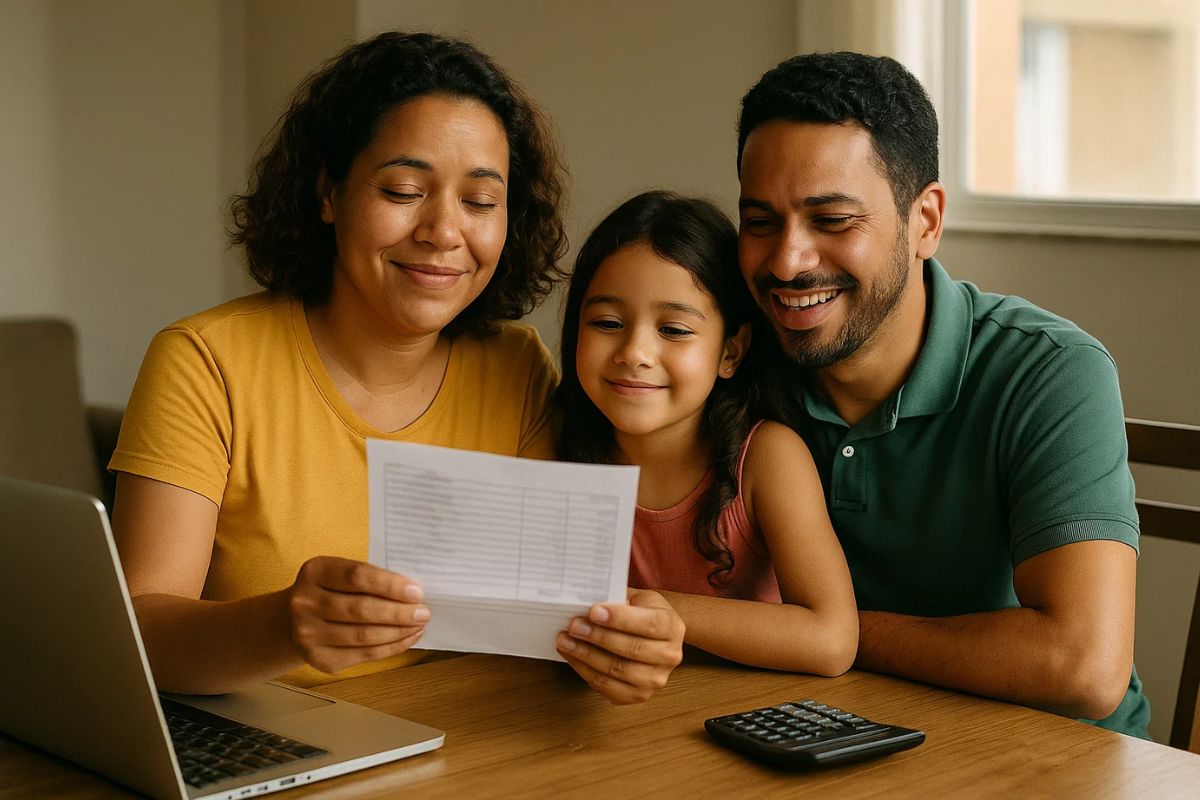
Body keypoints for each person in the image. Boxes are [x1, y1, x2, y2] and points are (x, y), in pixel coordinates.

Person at [109, 31, 684, 704]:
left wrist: (629, 638)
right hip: (269, 736)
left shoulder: (518, 367)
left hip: (470, 734)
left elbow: (551, 617)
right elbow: (138, 635)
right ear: (329, 193)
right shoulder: (205, 361)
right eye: (404, 189)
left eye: (479, 201)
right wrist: (283, 627)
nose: (443, 232)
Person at [734, 52, 1148, 737]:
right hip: (840, 738)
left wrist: (825, 633)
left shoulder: (1048, 372)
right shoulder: (731, 358)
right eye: (759, 222)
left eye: (832, 221)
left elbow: (1084, 667)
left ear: (925, 220)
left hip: (1055, 764)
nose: (786, 260)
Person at [555, 190, 858, 674]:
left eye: (674, 330)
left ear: (730, 353)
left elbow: (832, 640)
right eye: (607, 322)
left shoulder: (766, 458)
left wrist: (650, 609)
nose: (634, 352)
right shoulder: (553, 443)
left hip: (740, 721)